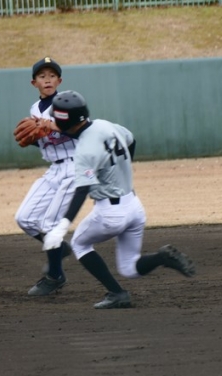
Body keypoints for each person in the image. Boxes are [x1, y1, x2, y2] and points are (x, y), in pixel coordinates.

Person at [41, 90, 196, 309]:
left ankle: (116, 293)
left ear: (65, 122)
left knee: (79, 243)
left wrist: (61, 228)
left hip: (110, 214)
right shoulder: (105, 125)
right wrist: (119, 169)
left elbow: (82, 190)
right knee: (129, 268)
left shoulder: (85, 151)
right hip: (134, 207)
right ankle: (161, 258)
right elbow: (130, 140)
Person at [14, 57, 76, 296]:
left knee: (49, 225)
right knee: (25, 219)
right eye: (42, 76)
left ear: (59, 80)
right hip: (54, 170)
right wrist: (31, 139)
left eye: (52, 76)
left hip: (75, 168)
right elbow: (45, 140)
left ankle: (55, 276)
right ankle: (59, 249)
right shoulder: (34, 109)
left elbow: (83, 130)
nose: (47, 80)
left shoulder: (69, 102)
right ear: (34, 83)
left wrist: (51, 126)